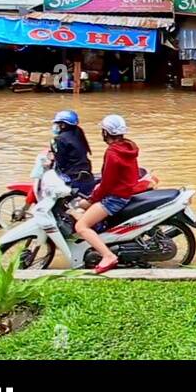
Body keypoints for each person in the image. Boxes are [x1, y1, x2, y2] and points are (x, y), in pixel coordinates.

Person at [74, 115, 140, 275]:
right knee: (81, 209)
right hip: (123, 193)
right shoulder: (128, 146)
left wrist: (92, 198)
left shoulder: (112, 153)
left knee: (80, 226)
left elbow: (107, 184)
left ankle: (108, 255)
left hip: (114, 198)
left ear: (106, 132)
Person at [50, 110, 95, 195]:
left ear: (63, 125)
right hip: (86, 172)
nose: (55, 126)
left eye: (57, 124)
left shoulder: (59, 139)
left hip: (73, 177)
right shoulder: (78, 132)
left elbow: (61, 162)